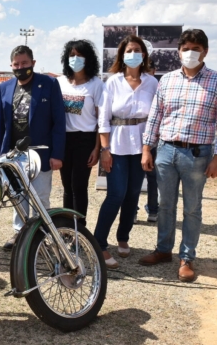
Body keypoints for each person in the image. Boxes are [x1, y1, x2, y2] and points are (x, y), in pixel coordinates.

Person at [138, 29, 217, 282]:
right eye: (186, 48)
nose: (190, 53)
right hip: (166, 150)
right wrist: (147, 148)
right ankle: (163, 250)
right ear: (178, 52)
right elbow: (156, 116)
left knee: (192, 208)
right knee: (165, 205)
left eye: (196, 48)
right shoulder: (167, 80)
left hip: (197, 154)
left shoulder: (215, 81)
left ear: (205, 51)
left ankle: (187, 258)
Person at [93, 35, 158, 269]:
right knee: (116, 194)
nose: (133, 54)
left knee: (132, 195)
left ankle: (123, 236)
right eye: (129, 50)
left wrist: (148, 148)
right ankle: (99, 242)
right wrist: (105, 150)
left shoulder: (152, 83)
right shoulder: (112, 82)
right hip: (117, 146)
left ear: (144, 55)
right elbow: (103, 118)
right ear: (122, 55)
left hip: (141, 147)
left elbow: (154, 117)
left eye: (137, 50)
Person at [0, 45, 66, 250]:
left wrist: (57, 154)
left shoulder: (49, 84)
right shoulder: (4, 88)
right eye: (16, 64)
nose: (20, 67)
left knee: (40, 196)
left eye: (24, 63)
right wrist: (2, 156)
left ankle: (42, 235)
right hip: (14, 154)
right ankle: (19, 234)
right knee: (18, 197)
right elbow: (2, 126)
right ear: (11, 65)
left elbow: (59, 121)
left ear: (33, 63)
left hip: (41, 152)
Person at [57, 39, 103, 226]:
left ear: (88, 59)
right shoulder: (59, 83)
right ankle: (68, 228)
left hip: (85, 139)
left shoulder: (96, 84)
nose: (75, 59)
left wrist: (97, 148)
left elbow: (102, 120)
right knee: (67, 187)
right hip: (63, 139)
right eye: (72, 55)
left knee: (79, 186)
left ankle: (80, 229)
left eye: (80, 55)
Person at [143, 58, 159, 223]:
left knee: (153, 178)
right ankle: (132, 211)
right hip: (135, 141)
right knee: (133, 181)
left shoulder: (157, 85)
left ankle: (153, 210)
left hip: (152, 141)